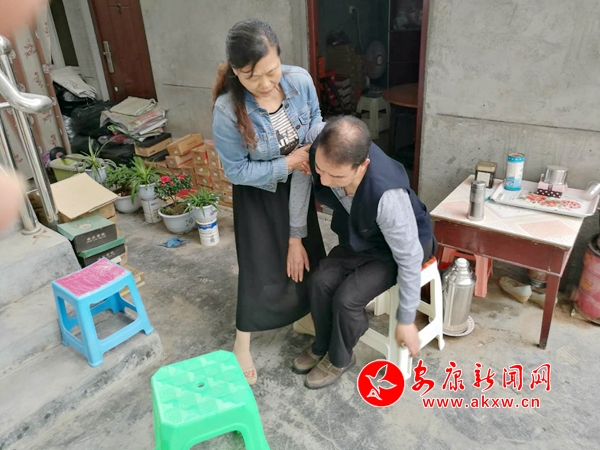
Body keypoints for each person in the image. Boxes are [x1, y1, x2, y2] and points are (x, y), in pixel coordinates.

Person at [212, 19, 326, 385]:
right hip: (258, 195)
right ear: (235, 71)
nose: (264, 84)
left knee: (307, 254)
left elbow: (315, 121)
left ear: (279, 57)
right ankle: (242, 343)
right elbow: (236, 171)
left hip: (300, 185)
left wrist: (314, 149)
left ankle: (303, 316)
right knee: (260, 268)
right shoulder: (227, 110)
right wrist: (289, 162)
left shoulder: (300, 81)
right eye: (251, 76)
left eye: (271, 71)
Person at [292, 116, 436, 389]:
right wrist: (294, 237)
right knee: (320, 279)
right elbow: (304, 176)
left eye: (337, 176)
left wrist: (406, 319)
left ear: (363, 166)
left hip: (396, 249)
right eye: (320, 169)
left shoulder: (387, 197)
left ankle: (339, 358)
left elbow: (409, 257)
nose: (325, 180)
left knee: (347, 298)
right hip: (360, 233)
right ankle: (322, 344)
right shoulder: (319, 140)